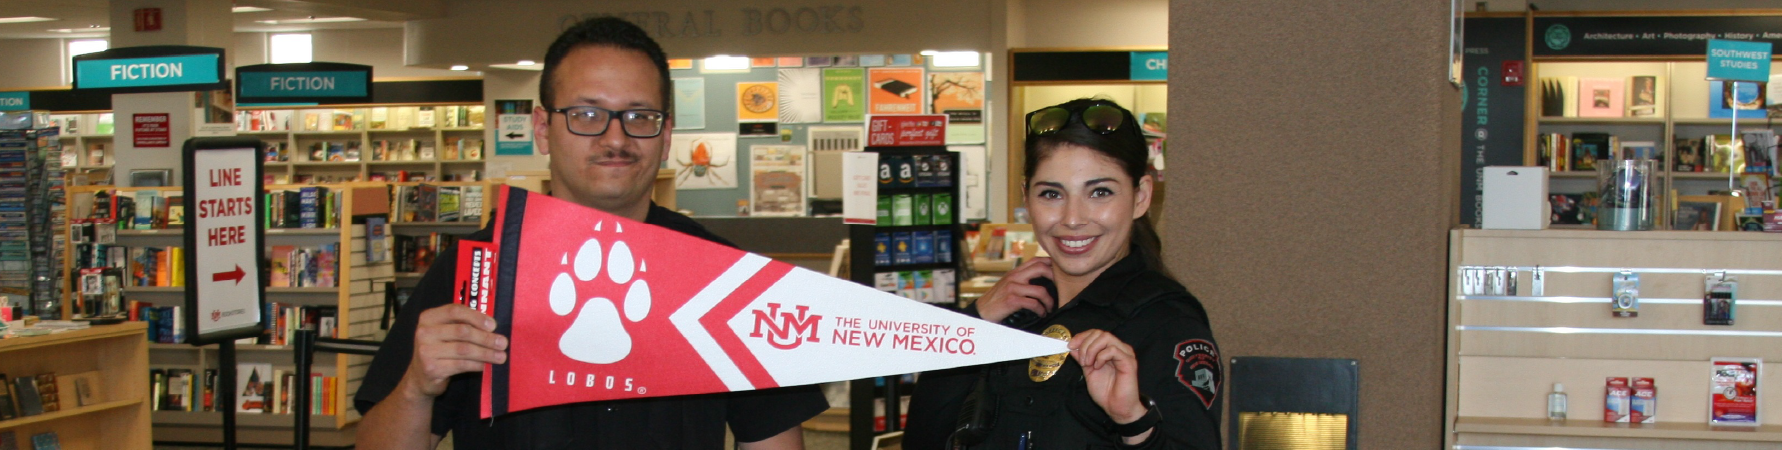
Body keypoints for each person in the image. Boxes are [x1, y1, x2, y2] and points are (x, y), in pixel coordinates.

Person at [356, 17, 827, 450]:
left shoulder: (728, 278)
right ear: (543, 128)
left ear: (666, 137)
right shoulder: (475, 269)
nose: (616, 139)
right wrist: (417, 387)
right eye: (586, 114)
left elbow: (774, 440)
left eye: (640, 116)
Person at [905, 99, 1222, 449]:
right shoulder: (1015, 311)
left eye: (1100, 192)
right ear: (1027, 198)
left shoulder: (1166, 323)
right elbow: (924, 438)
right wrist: (973, 323)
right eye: (1052, 194)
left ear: (1141, 197)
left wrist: (1134, 420)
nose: (1072, 218)